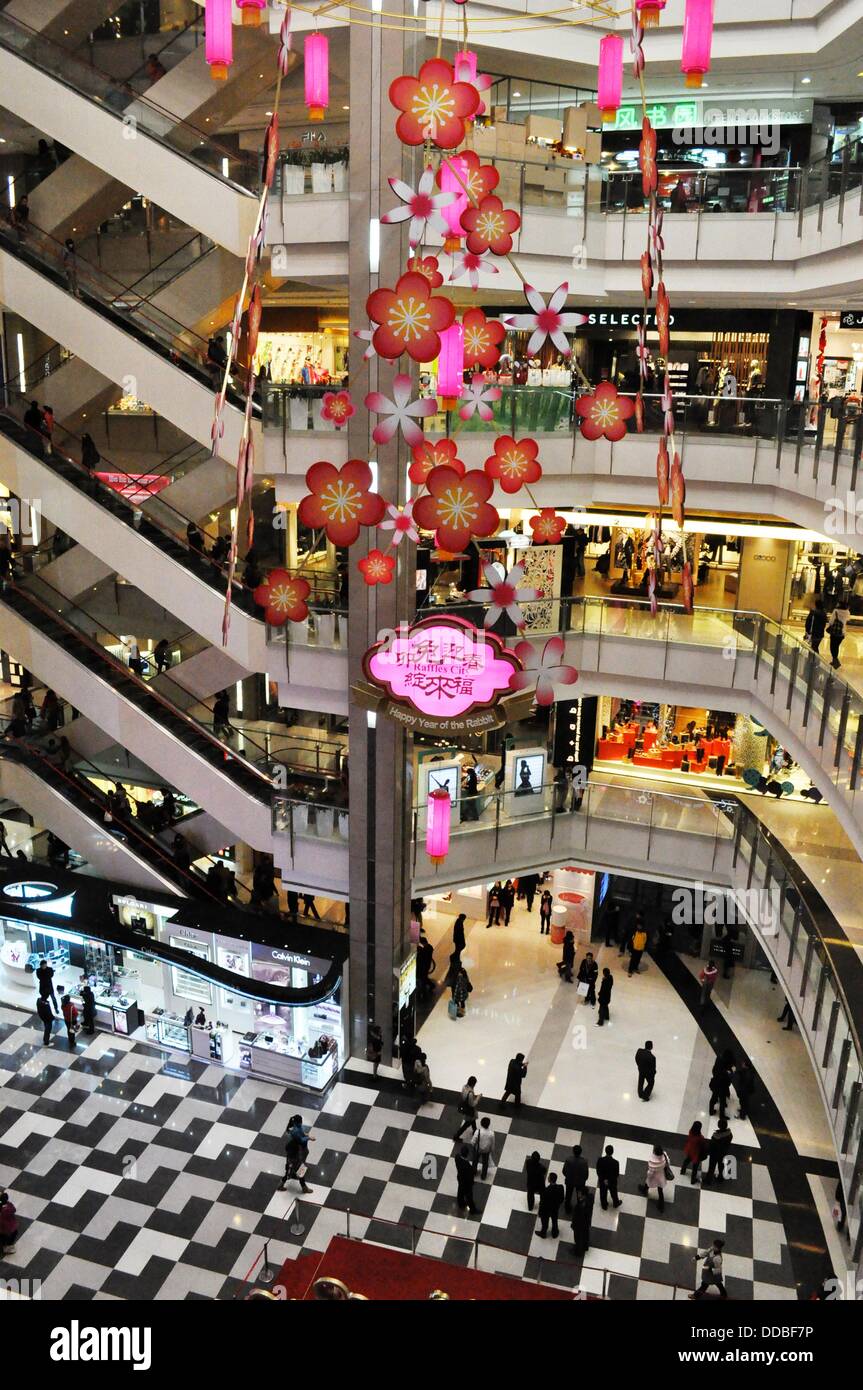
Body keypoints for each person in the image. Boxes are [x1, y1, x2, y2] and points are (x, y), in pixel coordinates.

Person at [279, 1115, 313, 1194]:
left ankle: (282, 1184)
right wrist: (309, 1138)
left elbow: (301, 1135)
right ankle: (304, 1188)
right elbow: (301, 1140)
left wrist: (305, 1135)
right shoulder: (295, 1131)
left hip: (293, 1152)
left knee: (291, 1170)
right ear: (299, 1122)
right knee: (300, 1171)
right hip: (293, 1153)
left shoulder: (297, 1128)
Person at [703, 1118, 733, 1185]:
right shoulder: (730, 1134)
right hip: (723, 1153)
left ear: (719, 1126)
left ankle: (708, 1180)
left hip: (715, 1154)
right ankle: (720, 1177)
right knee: (721, 1165)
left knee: (711, 1167)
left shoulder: (716, 1136)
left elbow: (711, 1145)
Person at [643, 1142, 671, 1212]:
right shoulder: (664, 1155)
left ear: (655, 1152)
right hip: (661, 1176)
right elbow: (668, 1162)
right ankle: (661, 1205)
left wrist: (648, 1177)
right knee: (660, 1191)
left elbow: (650, 1173)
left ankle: (644, 1190)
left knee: (647, 1183)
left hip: (654, 1177)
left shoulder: (653, 1161)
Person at [562, 1144, 589, 1213]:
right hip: (580, 1183)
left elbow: (564, 1171)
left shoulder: (568, 1160)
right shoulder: (584, 1162)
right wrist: (583, 1180)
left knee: (568, 1195)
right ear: (581, 1152)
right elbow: (586, 1174)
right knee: (579, 1196)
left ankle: (567, 1208)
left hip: (569, 1181)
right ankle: (579, 1209)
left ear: (573, 1151)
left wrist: (568, 1177)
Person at [537, 1172, 564, 1238]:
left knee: (545, 1222)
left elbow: (542, 1203)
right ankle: (555, 1233)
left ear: (550, 1180)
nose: (547, 1178)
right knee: (554, 1220)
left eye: (548, 1177)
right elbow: (561, 1199)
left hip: (546, 1210)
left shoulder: (546, 1191)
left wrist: (540, 1212)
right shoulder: (561, 1187)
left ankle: (543, 1233)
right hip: (555, 1208)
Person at [708, 1050, 734, 1120]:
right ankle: (722, 1116)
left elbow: (714, 1071)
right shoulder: (727, 1065)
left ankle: (711, 1111)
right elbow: (729, 1076)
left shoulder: (718, 1059)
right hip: (722, 1086)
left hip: (715, 1083)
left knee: (713, 1097)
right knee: (722, 1101)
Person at [680, 1121, 708, 1185]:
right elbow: (703, 1146)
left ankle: (683, 1171)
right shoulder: (700, 1137)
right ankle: (693, 1180)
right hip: (696, 1153)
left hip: (689, 1150)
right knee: (695, 1167)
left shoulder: (690, 1131)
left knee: (687, 1160)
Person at [596, 1145, 622, 1210]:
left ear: (605, 1151)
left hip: (603, 1180)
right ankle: (616, 1203)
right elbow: (616, 1174)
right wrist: (609, 1180)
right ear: (612, 1152)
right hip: (612, 1181)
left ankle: (604, 1205)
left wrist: (603, 1179)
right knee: (614, 1193)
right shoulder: (616, 1163)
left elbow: (598, 1171)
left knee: (603, 1192)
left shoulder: (600, 1160)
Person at [571, 1185, 594, 1257]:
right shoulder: (590, 1197)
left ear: (583, 1195)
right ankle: (585, 1246)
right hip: (587, 1221)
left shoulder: (579, 1206)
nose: (577, 1194)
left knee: (578, 1238)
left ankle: (578, 1252)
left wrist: (573, 1225)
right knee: (585, 1234)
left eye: (579, 1193)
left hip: (580, 1224)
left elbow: (577, 1217)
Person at [454, 1076, 480, 1141]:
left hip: (465, 1107)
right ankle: (456, 1136)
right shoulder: (470, 1093)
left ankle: (475, 1130)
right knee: (467, 1124)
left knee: (472, 1120)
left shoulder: (464, 1087)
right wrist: (478, 1098)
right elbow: (472, 1104)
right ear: (473, 1084)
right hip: (469, 1110)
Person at [455, 1144, 478, 1214]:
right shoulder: (467, 1166)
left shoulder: (457, 1157)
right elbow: (470, 1177)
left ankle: (461, 1203)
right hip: (467, 1183)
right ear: (467, 1154)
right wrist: (472, 1182)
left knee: (460, 1191)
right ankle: (473, 1210)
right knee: (469, 1196)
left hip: (460, 1178)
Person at [0, 1191, 18, 1256]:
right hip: (7, 1226)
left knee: (4, 1236)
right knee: (9, 1235)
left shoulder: (5, 1207)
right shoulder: (8, 1206)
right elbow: (13, 1210)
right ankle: (7, 1247)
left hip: (6, 1226)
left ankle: (6, 1246)